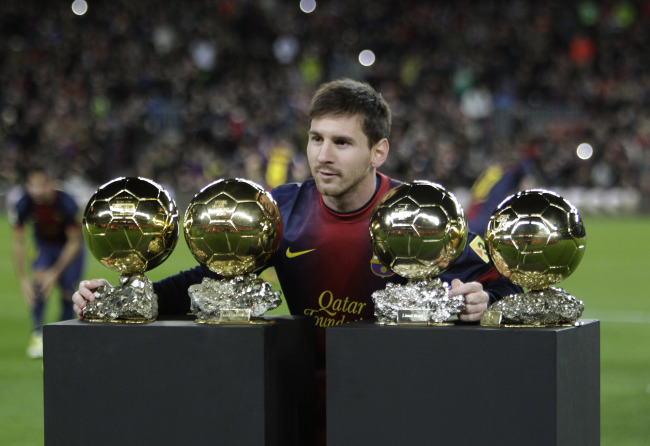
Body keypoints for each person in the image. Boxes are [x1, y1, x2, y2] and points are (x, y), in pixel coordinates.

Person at [73, 79, 522, 444]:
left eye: (343, 143)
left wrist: (482, 301)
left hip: (399, 401)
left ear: (378, 151)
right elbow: (208, 279)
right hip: (301, 399)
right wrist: (128, 296)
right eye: (316, 139)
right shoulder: (279, 210)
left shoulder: (418, 214)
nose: (324, 156)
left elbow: (503, 284)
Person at [10, 167, 85, 359]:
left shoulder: (66, 203)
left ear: (51, 185)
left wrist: (55, 272)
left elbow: (75, 241)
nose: (37, 190)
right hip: (44, 246)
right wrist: (23, 279)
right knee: (39, 285)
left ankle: (62, 337)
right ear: (27, 186)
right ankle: (37, 334)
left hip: (69, 249)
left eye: (41, 185)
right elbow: (17, 242)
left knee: (69, 293)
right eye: (32, 185)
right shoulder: (24, 204)